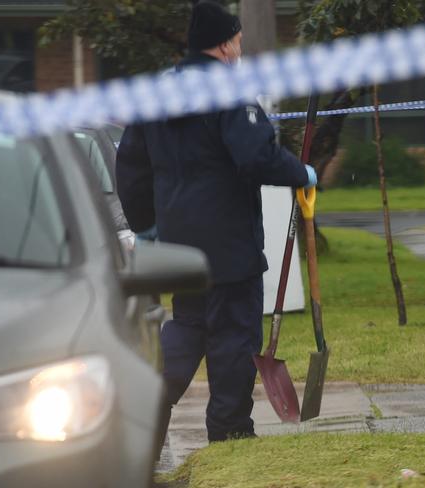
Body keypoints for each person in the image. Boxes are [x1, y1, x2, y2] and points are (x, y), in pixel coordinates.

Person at [116, 0, 317, 448]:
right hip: (229, 247)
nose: (240, 50)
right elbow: (257, 157)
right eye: (239, 41)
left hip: (180, 248)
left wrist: (147, 226)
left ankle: (143, 406)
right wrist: (301, 173)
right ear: (225, 45)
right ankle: (229, 431)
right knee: (233, 336)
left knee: (187, 327)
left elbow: (130, 166)